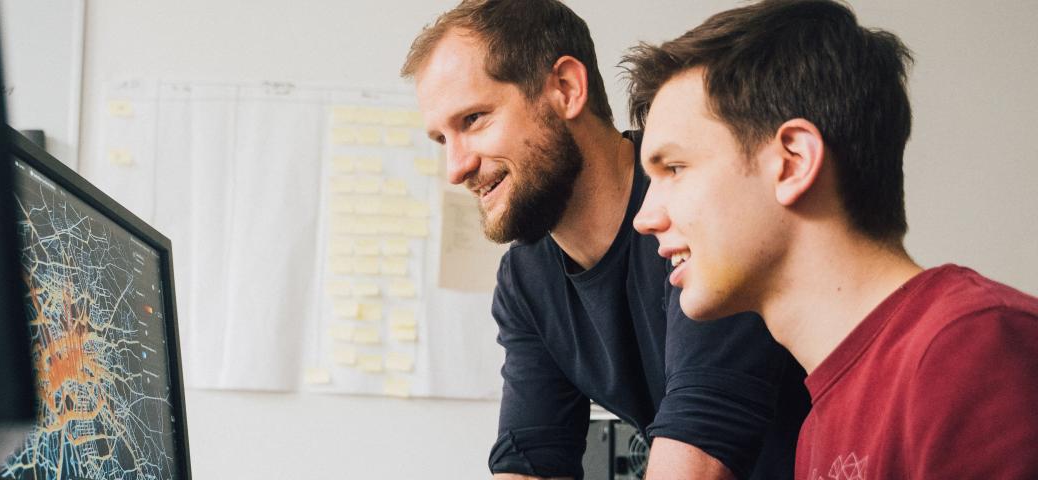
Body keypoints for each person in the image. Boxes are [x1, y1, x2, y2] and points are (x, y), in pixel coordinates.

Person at [623, 0, 1038, 478]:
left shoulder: (973, 352)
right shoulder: (819, 426)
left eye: (674, 168)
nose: (646, 218)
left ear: (794, 162)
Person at [401, 1, 809, 478]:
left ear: (566, 88)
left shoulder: (698, 212)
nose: (456, 168)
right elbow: (532, 455)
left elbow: (700, 444)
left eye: (473, 119)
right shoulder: (527, 277)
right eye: (441, 139)